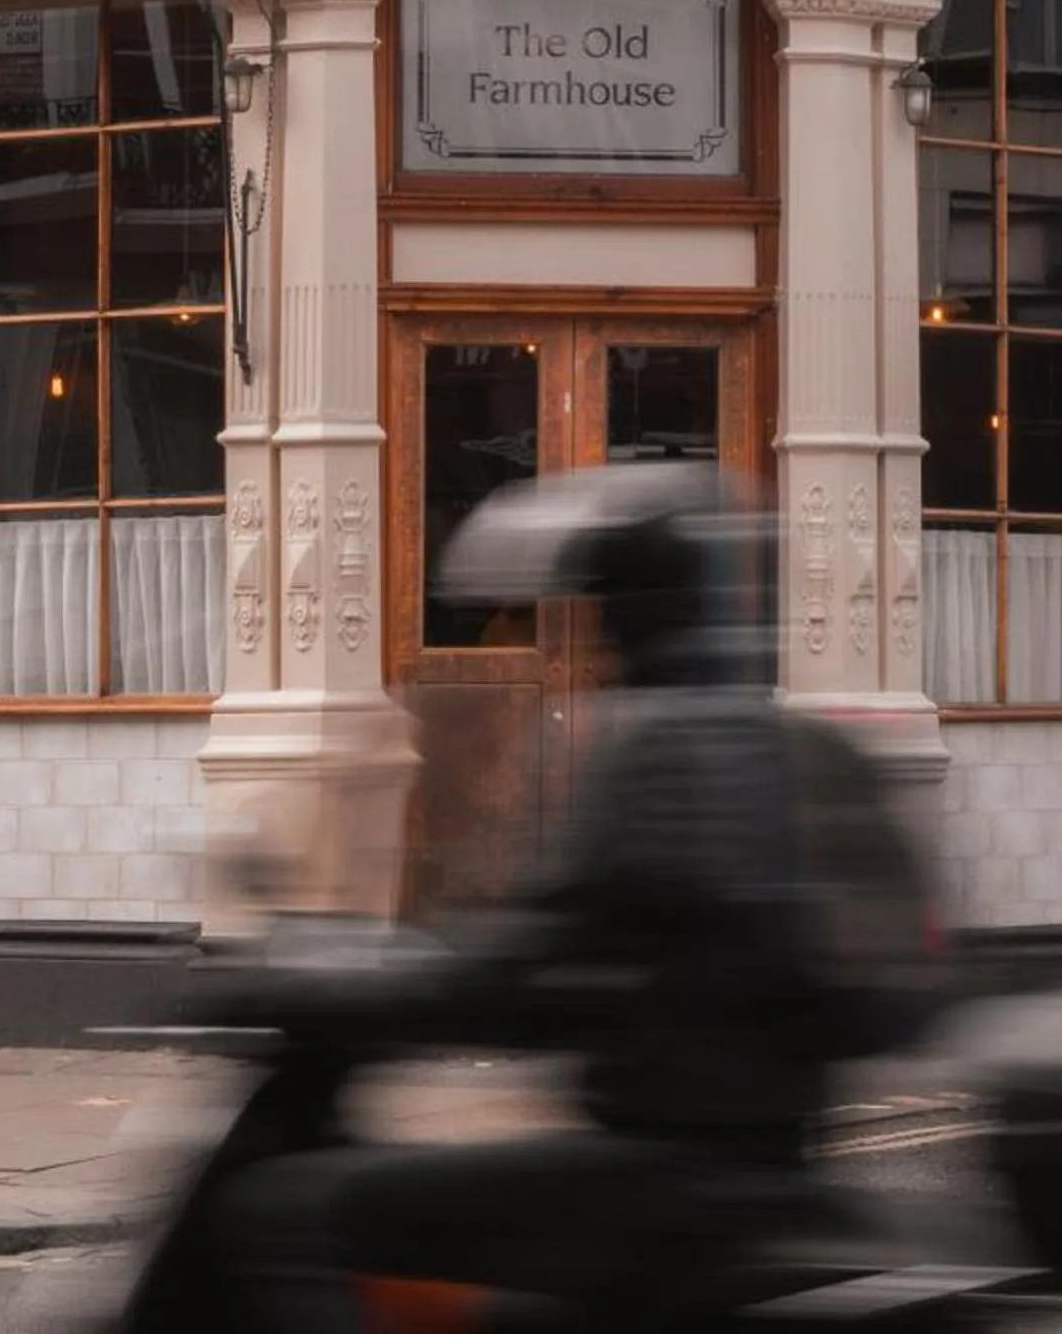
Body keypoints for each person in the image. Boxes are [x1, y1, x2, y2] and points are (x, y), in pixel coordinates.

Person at [211, 468, 942, 1334]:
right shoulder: (799, 749)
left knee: (294, 1212)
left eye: (600, 611)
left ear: (629, 614)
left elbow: (521, 969)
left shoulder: (659, 751)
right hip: (776, 1158)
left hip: (657, 1175)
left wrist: (333, 984)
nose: (592, 641)